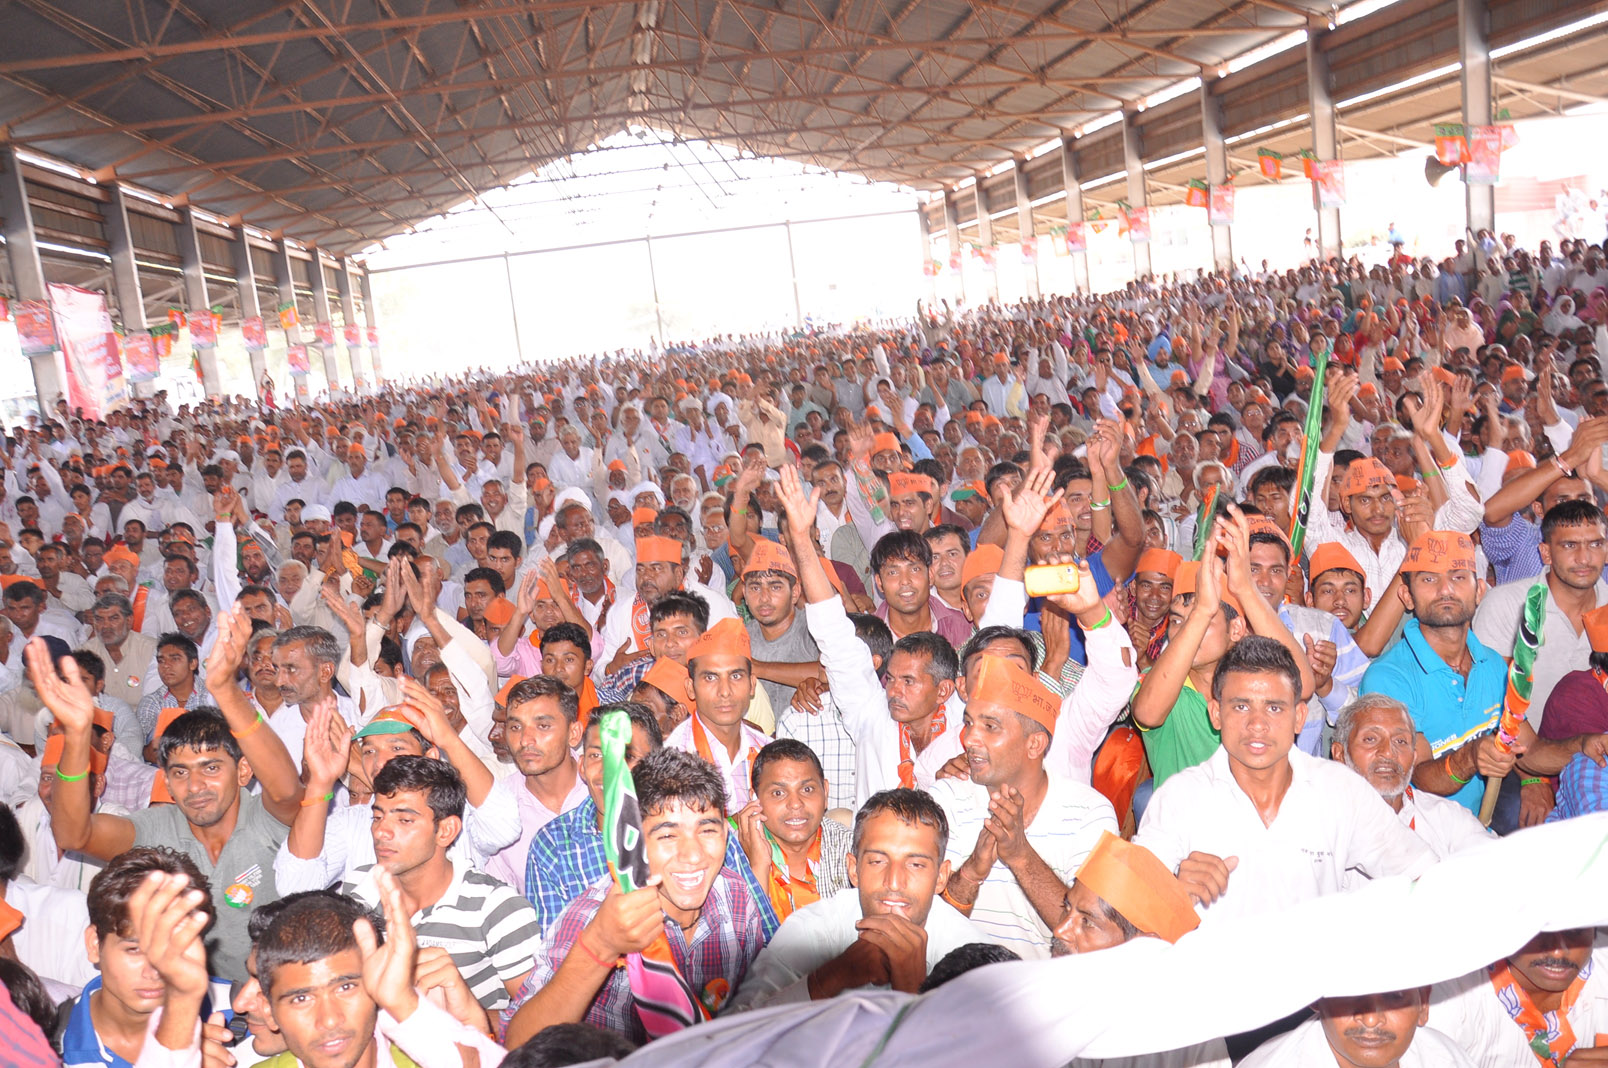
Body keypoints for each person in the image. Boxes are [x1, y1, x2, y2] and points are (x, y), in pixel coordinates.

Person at [30, 607, 306, 985]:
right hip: (190, 1000)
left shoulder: (265, 818)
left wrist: (224, 689)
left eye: (211, 768)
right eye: (179, 772)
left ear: (243, 772)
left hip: (277, 993)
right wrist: (79, 736)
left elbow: (289, 791)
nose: (194, 787)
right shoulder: (157, 828)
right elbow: (73, 834)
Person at [1134, 636, 1435, 928]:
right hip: (1216, 977)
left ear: (1299, 717)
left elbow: (1426, 876)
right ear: (1216, 714)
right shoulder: (1179, 797)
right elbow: (1129, 914)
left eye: (1274, 707)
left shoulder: (1341, 791)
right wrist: (1172, 893)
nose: (1257, 724)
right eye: (1241, 706)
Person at [503, 748, 768, 1046]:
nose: (693, 855)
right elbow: (517, 1045)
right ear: (634, 843)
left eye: (707, 830)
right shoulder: (596, 917)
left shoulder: (734, 897)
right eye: (668, 835)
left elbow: (752, 1003)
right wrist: (599, 946)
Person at [1362, 530, 1608, 823]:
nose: (1445, 590)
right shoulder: (1388, 678)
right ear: (1407, 596)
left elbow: (1529, 751)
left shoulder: (1492, 664)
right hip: (1414, 830)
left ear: (1479, 591)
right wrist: (1469, 757)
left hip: (1477, 829)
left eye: (1458, 577)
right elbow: (1417, 776)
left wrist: (1581, 745)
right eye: (1429, 579)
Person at [730, 788, 989, 1010]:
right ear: (853, 869)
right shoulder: (813, 932)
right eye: (877, 861)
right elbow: (730, 1037)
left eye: (916, 865)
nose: (894, 882)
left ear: (941, 877)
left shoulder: (968, 952)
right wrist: (830, 977)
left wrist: (913, 995)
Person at [931, 655, 1118, 959]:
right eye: (968, 723)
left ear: (1035, 744)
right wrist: (972, 873)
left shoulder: (1089, 813)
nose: (970, 739)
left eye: (990, 726)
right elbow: (927, 930)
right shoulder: (947, 798)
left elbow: (1087, 938)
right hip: (961, 987)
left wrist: (1020, 855)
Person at [340, 754, 540, 1013]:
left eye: (404, 820)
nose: (381, 832)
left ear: (445, 831)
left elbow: (539, 1023)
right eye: (378, 817)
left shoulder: (496, 907)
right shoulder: (359, 888)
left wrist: (463, 1012)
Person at [62, 847, 228, 1068]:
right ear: (94, 944)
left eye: (174, 947)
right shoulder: (46, 1043)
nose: (155, 971)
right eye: (135, 950)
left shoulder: (246, 1016)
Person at [1330, 693, 1492, 865]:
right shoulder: (1321, 826)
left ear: (1414, 757)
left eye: (1400, 741)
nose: (1388, 752)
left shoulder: (1446, 818)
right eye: (1370, 739)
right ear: (1340, 754)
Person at [1429, 928, 1608, 1067]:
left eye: (1574, 931)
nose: (1557, 952)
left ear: (1593, 930)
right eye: (1539, 931)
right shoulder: (1448, 992)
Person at [481, 675, 588, 894]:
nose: (525, 740)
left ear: (574, 733)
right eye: (515, 727)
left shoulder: (603, 789)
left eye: (543, 726)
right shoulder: (500, 808)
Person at [732, 739, 852, 924]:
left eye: (807, 789)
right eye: (778, 793)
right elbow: (741, 945)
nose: (795, 804)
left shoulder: (852, 849)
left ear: (825, 792)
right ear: (755, 799)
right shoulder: (730, 856)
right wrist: (758, 867)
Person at [664, 618, 772, 812]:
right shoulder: (673, 758)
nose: (725, 691)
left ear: (752, 685)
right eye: (711, 677)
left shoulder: (768, 752)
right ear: (690, 687)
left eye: (736, 676)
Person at [1239, 989, 1476, 1067]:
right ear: (1315, 997)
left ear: (1423, 1003)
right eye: (1351, 994)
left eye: (1394, 996)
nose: (1371, 1020)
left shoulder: (1445, 1058)